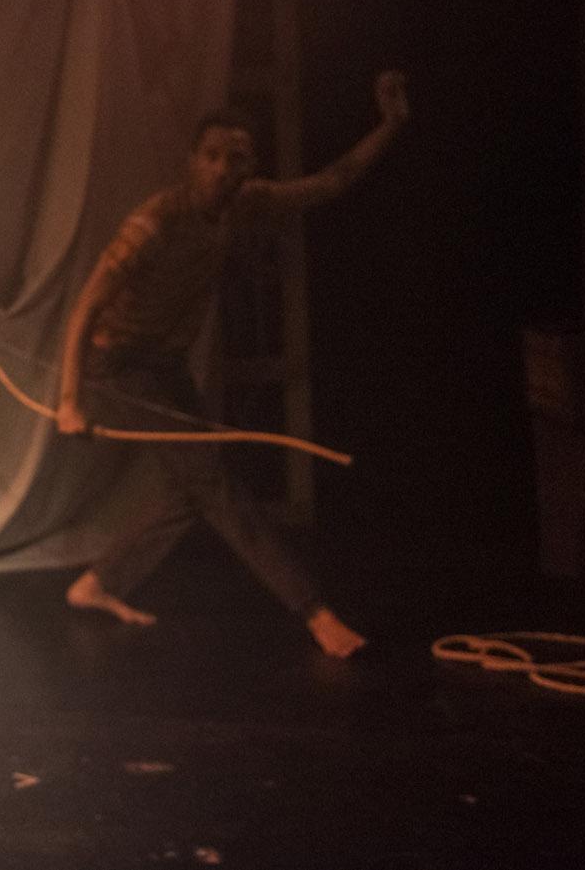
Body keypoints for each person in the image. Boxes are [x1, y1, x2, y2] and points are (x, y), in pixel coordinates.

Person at [55, 72, 411, 657]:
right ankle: (314, 611)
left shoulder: (248, 203)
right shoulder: (155, 222)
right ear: (193, 160)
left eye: (236, 160)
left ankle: (98, 584)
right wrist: (70, 401)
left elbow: (332, 182)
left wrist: (391, 125)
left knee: (194, 485)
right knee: (213, 483)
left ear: (248, 168)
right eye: (213, 157)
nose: (223, 170)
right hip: (118, 366)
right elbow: (86, 309)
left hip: (165, 365)